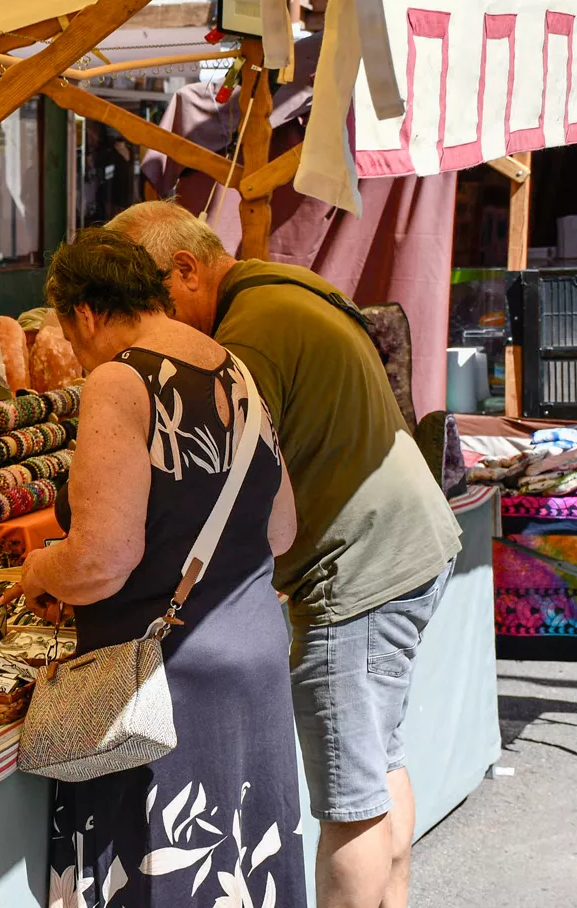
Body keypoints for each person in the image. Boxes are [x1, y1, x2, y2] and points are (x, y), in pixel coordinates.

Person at [107, 200, 461, 908]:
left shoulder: (251, 333)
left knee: (349, 797)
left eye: (153, 302)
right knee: (377, 765)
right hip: (407, 546)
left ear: (186, 268)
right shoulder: (280, 289)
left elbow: (229, 484)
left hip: (356, 571)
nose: (153, 324)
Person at [8, 228, 307, 908]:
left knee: (167, 876)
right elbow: (282, 528)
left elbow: (101, 560)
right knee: (243, 870)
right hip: (253, 662)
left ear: (83, 314)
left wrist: (39, 571)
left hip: (168, 690)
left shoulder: (120, 379)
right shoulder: (238, 371)